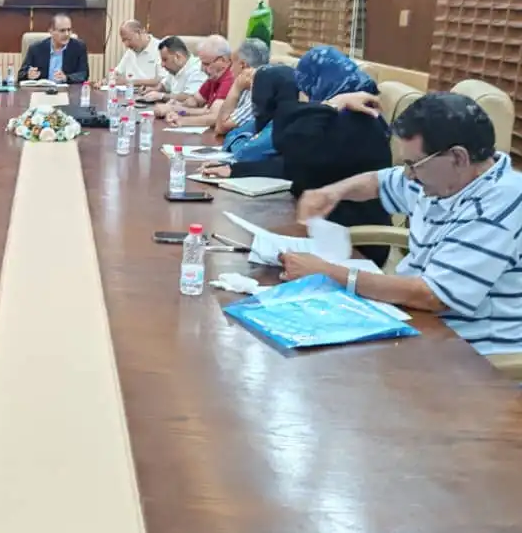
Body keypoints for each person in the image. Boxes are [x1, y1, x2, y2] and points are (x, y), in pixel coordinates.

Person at [285, 92, 522, 356]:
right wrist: (332, 192)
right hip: (419, 323)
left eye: (413, 164)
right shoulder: (447, 179)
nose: (408, 174)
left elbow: (433, 296)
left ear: (458, 157)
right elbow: (379, 181)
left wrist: (328, 273)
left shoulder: (497, 206)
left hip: (469, 353)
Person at [204, 47, 392, 264]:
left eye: (303, 88)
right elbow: (292, 163)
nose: (303, 97)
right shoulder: (338, 117)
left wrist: (333, 103)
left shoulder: (356, 120)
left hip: (355, 242)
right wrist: (235, 170)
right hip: (328, 227)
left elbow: (293, 147)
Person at [155, 35, 234, 126]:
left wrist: (181, 119)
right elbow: (195, 100)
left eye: (206, 64)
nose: (201, 69)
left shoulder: (230, 77)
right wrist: (176, 106)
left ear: (222, 60)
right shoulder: (214, 76)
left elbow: (215, 117)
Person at [214, 38, 270, 135]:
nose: (230, 69)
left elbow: (220, 128)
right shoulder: (246, 84)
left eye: (232, 63)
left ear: (243, 65)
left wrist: (236, 88)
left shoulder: (261, 88)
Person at [18, 12, 89, 83]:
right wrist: (28, 75)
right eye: (62, 31)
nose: (67, 34)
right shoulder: (36, 49)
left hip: (67, 89)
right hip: (42, 89)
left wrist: (66, 78)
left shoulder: (78, 47)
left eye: (69, 30)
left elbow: (84, 74)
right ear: (51, 31)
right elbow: (21, 75)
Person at [140, 36, 208, 102]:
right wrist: (154, 89)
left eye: (165, 60)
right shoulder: (175, 69)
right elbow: (165, 85)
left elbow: (190, 97)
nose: (162, 65)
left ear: (178, 57)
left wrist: (161, 96)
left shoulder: (198, 69)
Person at [114, 20, 162, 86]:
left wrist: (129, 82)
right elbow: (117, 72)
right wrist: (105, 81)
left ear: (139, 33)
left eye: (129, 39)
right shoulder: (130, 51)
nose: (126, 45)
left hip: (149, 92)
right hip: (130, 91)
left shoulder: (160, 48)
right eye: (124, 41)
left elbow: (161, 81)